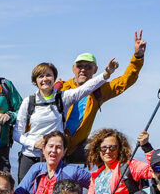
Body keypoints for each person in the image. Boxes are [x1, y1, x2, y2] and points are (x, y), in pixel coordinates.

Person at [13, 58, 117, 181]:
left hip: (54, 156)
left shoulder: (63, 98)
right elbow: (17, 133)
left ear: (54, 78)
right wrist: (34, 144)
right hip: (30, 155)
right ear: (35, 80)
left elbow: (86, 88)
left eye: (48, 75)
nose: (45, 79)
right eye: (41, 76)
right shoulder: (28, 101)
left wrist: (106, 74)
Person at [61, 31, 147, 163]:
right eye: (80, 66)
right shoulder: (62, 87)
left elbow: (125, 81)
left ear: (95, 70)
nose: (83, 69)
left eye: (88, 66)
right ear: (73, 68)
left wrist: (137, 56)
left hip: (77, 149)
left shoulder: (98, 91)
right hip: (56, 144)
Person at [14, 132, 92, 194]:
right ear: (43, 149)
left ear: (64, 151)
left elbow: (97, 185)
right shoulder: (36, 169)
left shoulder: (74, 172)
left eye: (58, 147)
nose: (54, 150)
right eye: (50, 146)